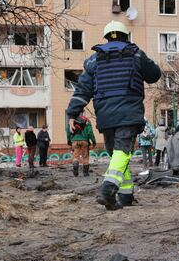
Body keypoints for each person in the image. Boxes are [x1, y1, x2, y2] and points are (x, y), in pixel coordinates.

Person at [66, 20, 161, 210]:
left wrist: (72, 113)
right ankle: (108, 190)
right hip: (129, 112)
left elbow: (83, 89)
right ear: (126, 36)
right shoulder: (135, 54)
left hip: (106, 115)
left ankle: (125, 196)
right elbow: (154, 75)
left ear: (106, 37)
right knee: (122, 153)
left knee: (117, 155)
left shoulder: (94, 60)